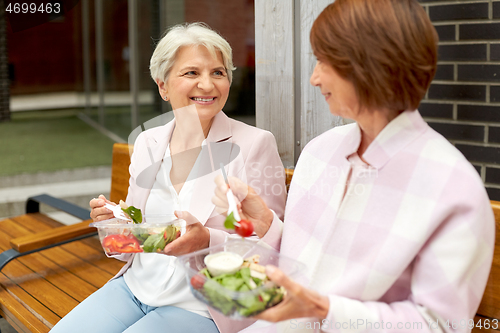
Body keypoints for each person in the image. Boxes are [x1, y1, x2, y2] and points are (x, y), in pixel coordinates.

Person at [212, 1, 495, 332]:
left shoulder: (453, 188)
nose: (314, 78)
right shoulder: (321, 151)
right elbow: (312, 266)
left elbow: (441, 325)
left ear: (370, 65)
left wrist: (325, 310)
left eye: (324, 62)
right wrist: (266, 225)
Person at [49, 23, 286, 333]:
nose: (208, 84)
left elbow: (273, 249)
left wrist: (208, 240)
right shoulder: (149, 142)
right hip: (134, 289)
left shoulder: (255, 144)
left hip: (203, 305)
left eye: (218, 72)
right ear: (163, 86)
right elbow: (133, 236)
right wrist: (113, 222)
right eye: (191, 73)